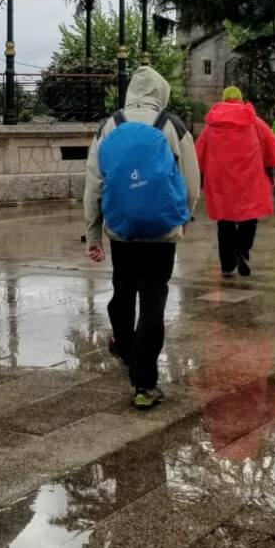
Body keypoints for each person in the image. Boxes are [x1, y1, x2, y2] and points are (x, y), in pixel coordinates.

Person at [84, 65, 200, 410]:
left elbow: (94, 184)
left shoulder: (110, 125)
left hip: (122, 230)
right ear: (160, 93)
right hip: (162, 232)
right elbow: (192, 181)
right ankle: (144, 384)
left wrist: (93, 234)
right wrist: (183, 218)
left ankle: (123, 345)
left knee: (123, 292)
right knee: (153, 302)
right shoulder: (173, 126)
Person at [195, 86, 275, 277]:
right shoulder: (254, 122)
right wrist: (271, 169)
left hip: (220, 180)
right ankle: (241, 248)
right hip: (249, 177)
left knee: (224, 221)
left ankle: (227, 265)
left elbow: (198, 152)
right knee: (250, 216)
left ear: (224, 99)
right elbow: (271, 145)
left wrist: (198, 177)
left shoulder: (212, 125)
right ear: (241, 99)